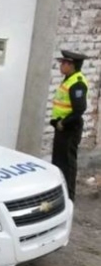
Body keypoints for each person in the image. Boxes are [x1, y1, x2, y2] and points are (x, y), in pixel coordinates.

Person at [50, 50, 90, 201]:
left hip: (70, 128)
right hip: (62, 128)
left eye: (64, 63)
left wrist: (63, 122)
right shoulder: (68, 79)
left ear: (72, 65)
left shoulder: (77, 83)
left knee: (67, 164)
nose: (61, 66)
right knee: (58, 162)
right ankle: (59, 194)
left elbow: (80, 109)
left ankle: (69, 197)